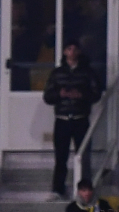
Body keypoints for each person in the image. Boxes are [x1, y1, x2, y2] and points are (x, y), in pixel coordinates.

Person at [43, 42, 102, 197]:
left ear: (80, 51)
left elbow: (96, 94)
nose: (72, 52)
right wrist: (59, 95)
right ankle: (57, 189)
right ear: (64, 52)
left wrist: (81, 96)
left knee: (83, 157)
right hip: (62, 119)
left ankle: (84, 190)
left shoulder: (87, 72)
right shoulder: (57, 73)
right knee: (60, 157)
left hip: (80, 118)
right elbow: (47, 97)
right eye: (69, 49)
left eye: (75, 49)